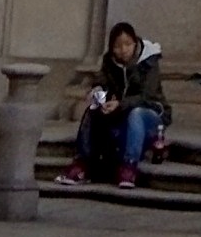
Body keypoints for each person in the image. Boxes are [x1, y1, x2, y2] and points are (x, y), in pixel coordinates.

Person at [62, 23, 168, 189]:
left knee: (137, 113)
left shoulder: (149, 62)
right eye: (117, 46)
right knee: (93, 109)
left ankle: (129, 166)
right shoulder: (109, 62)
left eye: (127, 45)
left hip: (150, 114)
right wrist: (98, 94)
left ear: (135, 43)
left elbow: (147, 96)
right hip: (121, 112)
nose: (123, 50)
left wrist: (120, 104)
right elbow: (102, 82)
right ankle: (83, 162)